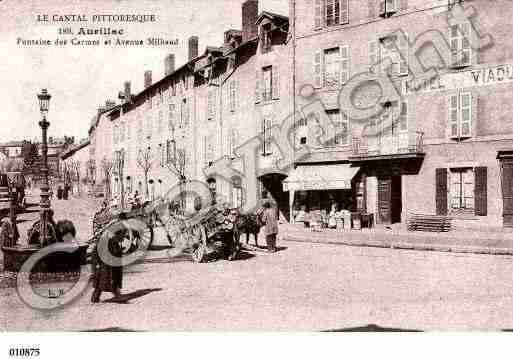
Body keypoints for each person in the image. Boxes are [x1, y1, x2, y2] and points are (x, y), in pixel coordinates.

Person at [91, 219, 125, 303]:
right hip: (103, 265)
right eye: (121, 236)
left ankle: (97, 297)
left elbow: (115, 252)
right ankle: (117, 296)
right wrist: (96, 264)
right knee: (102, 283)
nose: (122, 239)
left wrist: (119, 251)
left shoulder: (113, 241)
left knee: (105, 282)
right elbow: (95, 253)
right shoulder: (104, 240)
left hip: (110, 266)